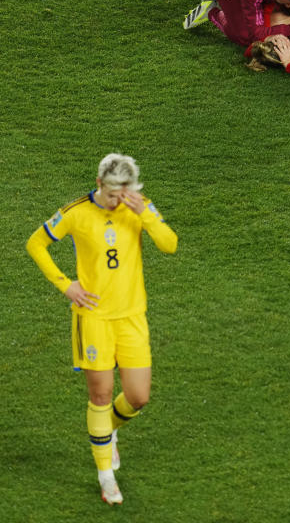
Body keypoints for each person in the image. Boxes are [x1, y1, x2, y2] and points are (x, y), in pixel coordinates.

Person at [25, 154, 178, 506]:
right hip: (92, 318)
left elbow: (169, 244)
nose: (118, 200)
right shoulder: (76, 212)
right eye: (112, 194)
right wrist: (67, 286)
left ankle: (106, 433)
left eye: (124, 193)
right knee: (100, 396)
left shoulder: (139, 208)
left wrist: (146, 215)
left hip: (132, 318)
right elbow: (36, 243)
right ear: (99, 183)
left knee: (138, 397)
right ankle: (106, 476)